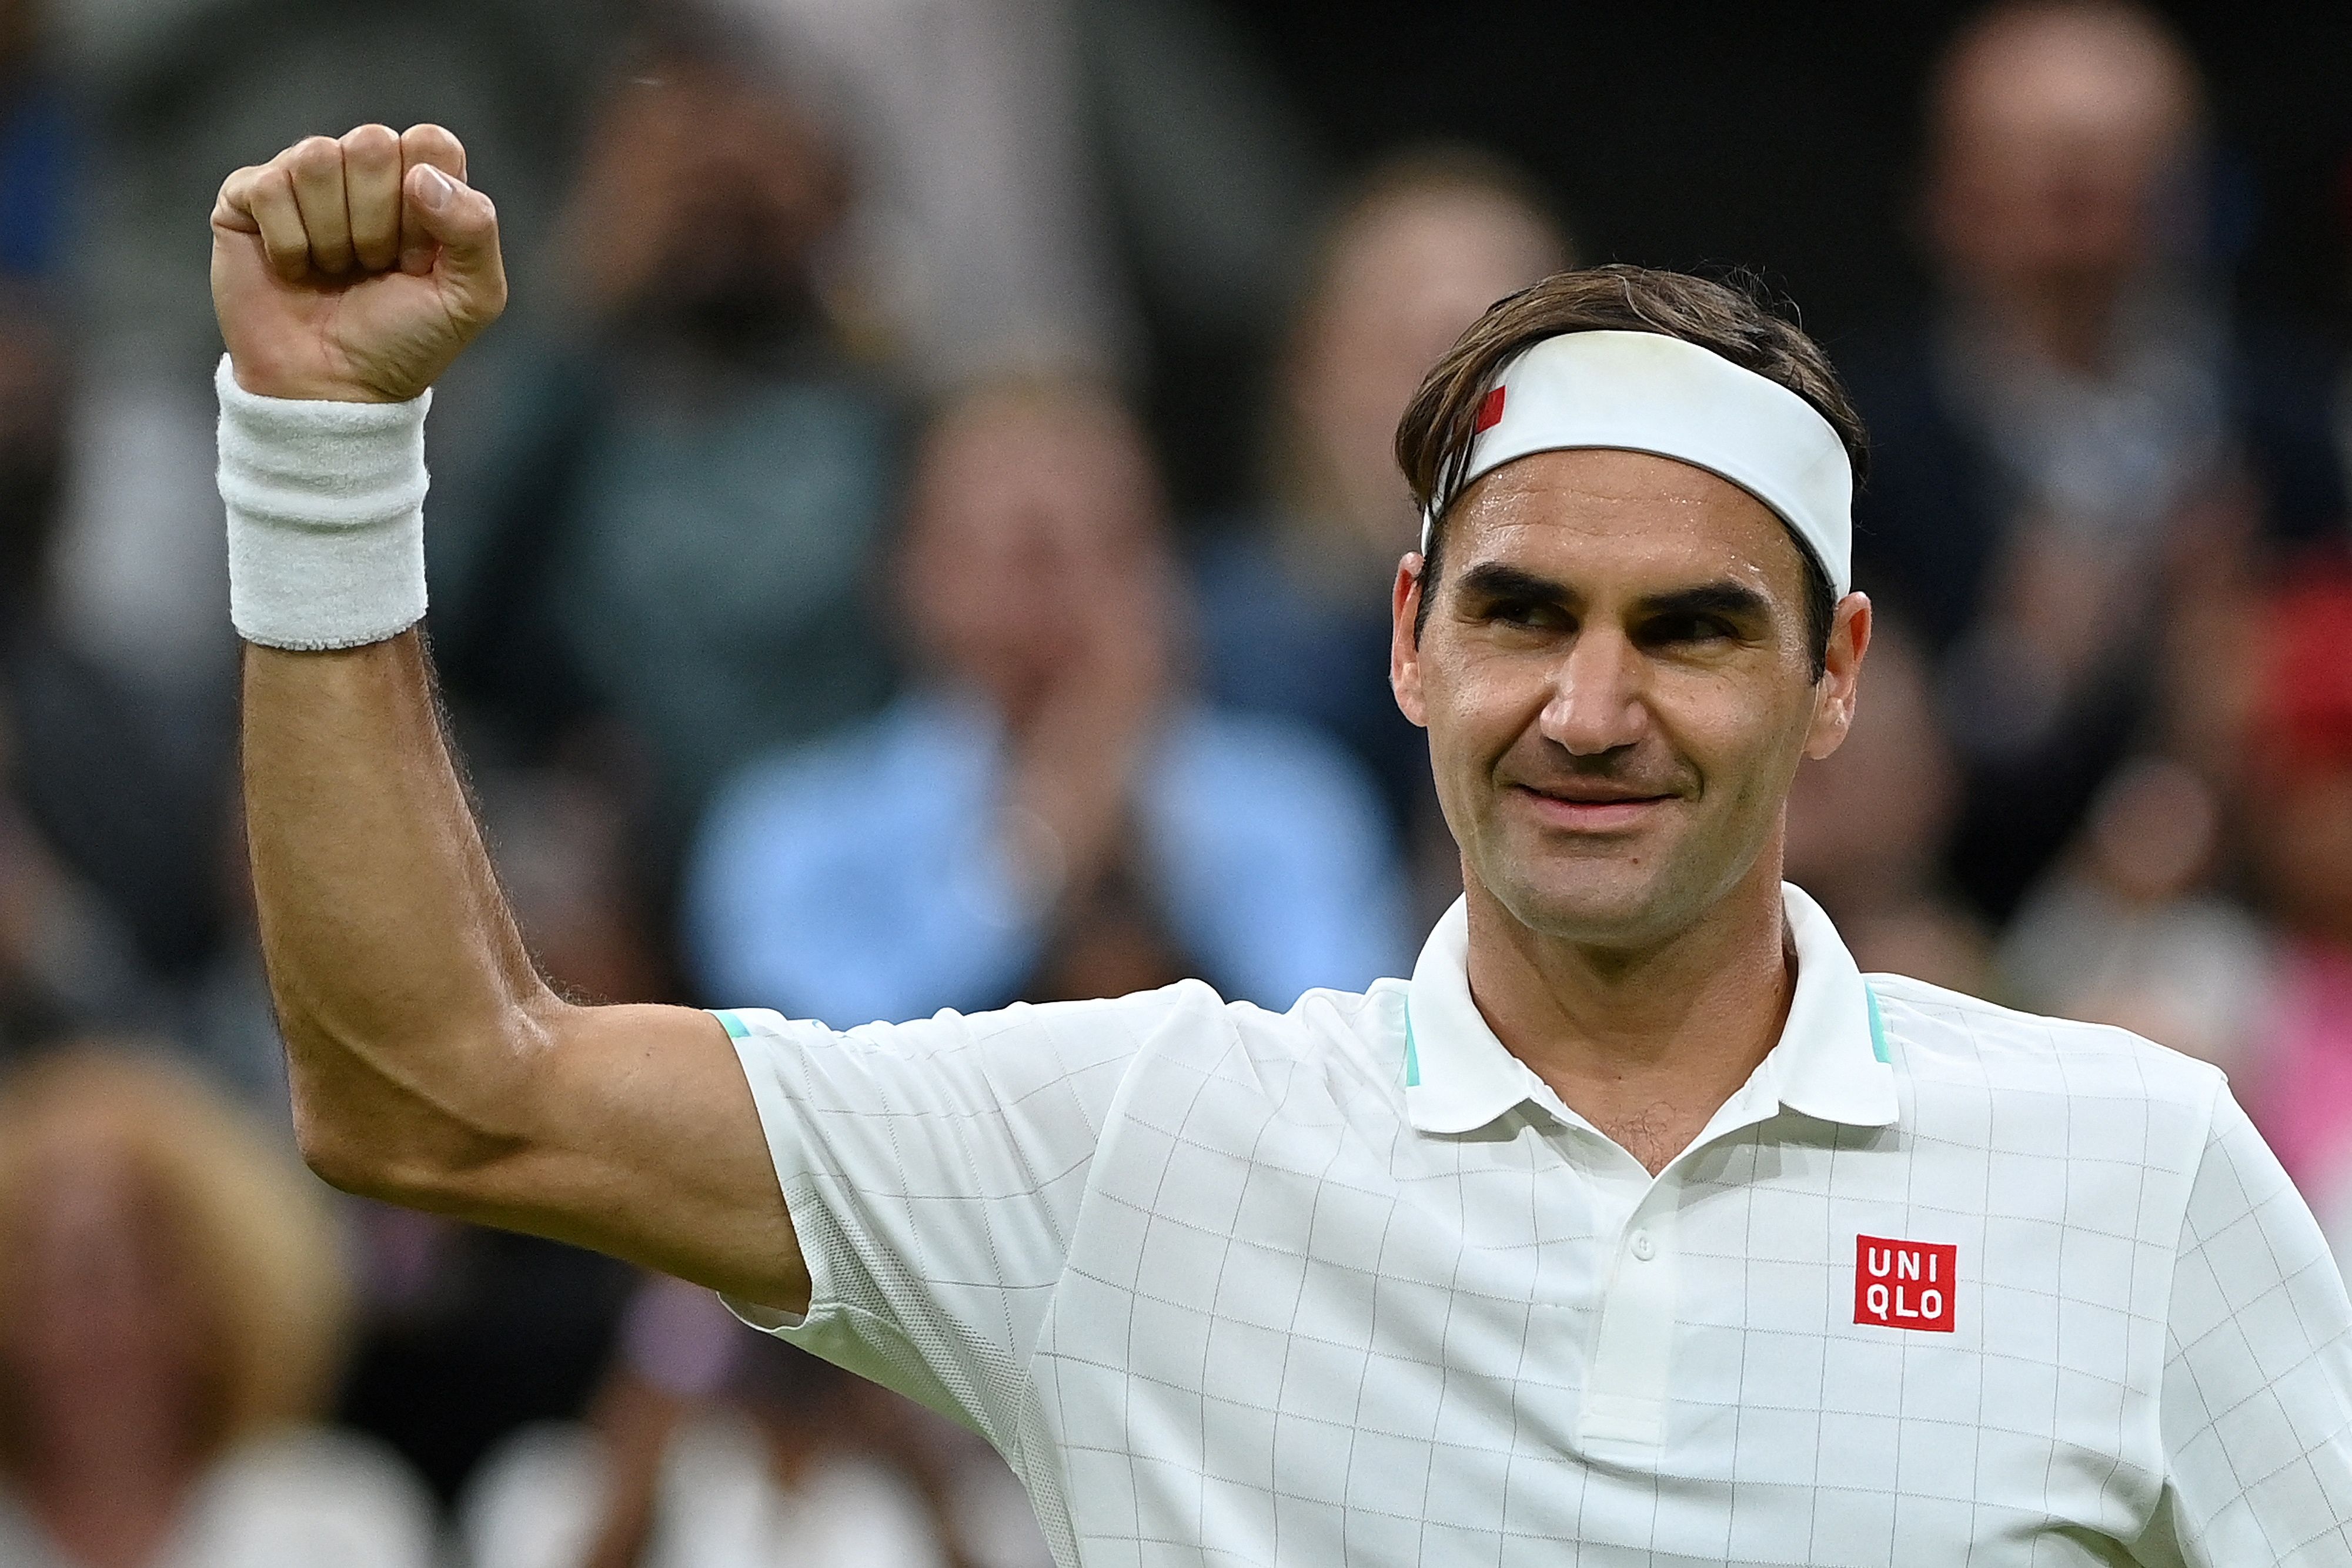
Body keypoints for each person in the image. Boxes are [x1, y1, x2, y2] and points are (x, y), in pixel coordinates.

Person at [208, 125, 2352, 1564]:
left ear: (1835, 673)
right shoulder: (1139, 1143)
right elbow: (434, 1089)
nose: (1587, 708)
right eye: (1522, 612)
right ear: (1411, 637)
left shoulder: (2132, 1171)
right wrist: (321, 454)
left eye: (1689, 629)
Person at [684, 377, 1409, 1024]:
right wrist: (1035, 854)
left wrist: (1154, 842)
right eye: (1026, 552)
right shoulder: (793, 833)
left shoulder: (1298, 806)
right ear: (912, 575)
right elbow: (812, 1085)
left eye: (1113, 543)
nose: (1070, 593)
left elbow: (1347, 1061)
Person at [1845, 0, 2350, 922]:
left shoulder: (2293, 427)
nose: (2077, 212)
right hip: (1942, 928)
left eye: (2115, 171)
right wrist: (2022, 675)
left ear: (2191, 195)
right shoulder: (1862, 444)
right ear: (1949, 196)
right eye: (2035, 170)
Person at [1195, 147, 1571, 867]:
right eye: (1411, 350)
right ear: (1309, 376)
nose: (1459, 405)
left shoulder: (1664, 655)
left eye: (1509, 359)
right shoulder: (1192, 659)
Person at [0, 1045, 437, 1568]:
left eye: (145, 1276)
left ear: (224, 1292)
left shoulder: (336, 1521)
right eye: (58, 1279)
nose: (99, 1324)